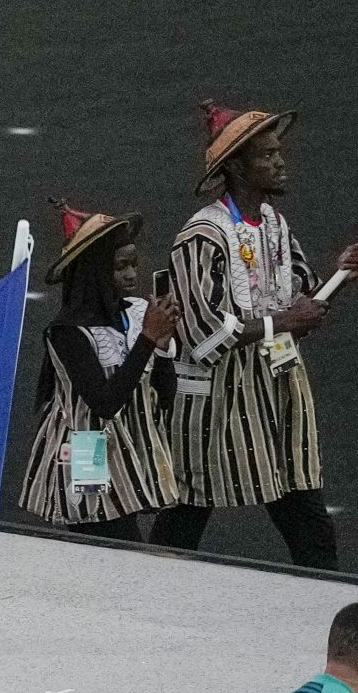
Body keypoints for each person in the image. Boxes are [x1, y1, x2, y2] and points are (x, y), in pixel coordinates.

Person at [150, 102, 358, 570]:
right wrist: (286, 322)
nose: (281, 162)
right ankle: (148, 586)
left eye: (279, 151)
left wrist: (339, 276)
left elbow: (299, 300)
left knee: (304, 512)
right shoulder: (202, 236)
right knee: (190, 504)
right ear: (237, 168)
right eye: (267, 155)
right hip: (219, 399)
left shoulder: (275, 226)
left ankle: (319, 604)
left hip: (278, 388)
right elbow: (204, 333)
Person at [17, 199, 182, 542]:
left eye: (134, 264)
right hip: (86, 450)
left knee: (116, 550)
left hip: (133, 443)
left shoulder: (139, 312)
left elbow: (165, 398)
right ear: (93, 271)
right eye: (120, 266)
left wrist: (164, 347)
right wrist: (148, 340)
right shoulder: (66, 333)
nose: (132, 274)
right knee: (105, 541)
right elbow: (104, 403)